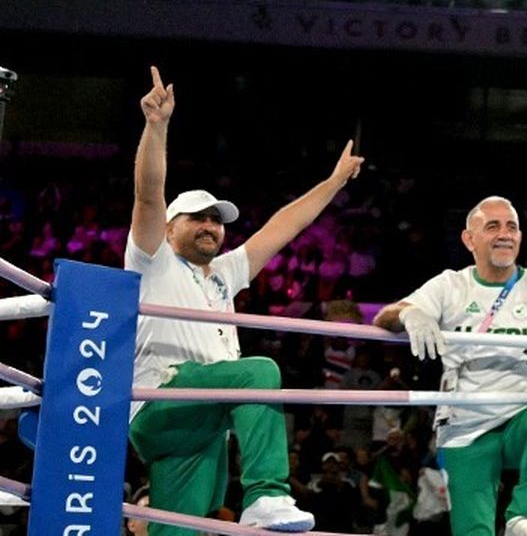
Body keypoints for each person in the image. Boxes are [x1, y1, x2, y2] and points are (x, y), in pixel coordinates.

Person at [127, 66, 365, 533]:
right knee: (260, 372)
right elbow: (148, 195)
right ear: (171, 228)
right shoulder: (153, 259)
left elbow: (283, 226)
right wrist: (156, 126)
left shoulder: (224, 273)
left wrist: (335, 182)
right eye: (198, 218)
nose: (210, 226)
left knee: (179, 528)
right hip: (164, 402)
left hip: (204, 423)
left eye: (216, 220)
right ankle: (267, 494)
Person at [375, 195, 527, 536]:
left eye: (512, 227)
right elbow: (384, 317)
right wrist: (410, 313)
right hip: (465, 426)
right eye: (493, 226)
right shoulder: (450, 284)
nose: (504, 234)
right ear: (469, 239)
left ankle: (523, 515)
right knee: (473, 532)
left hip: (524, 417)